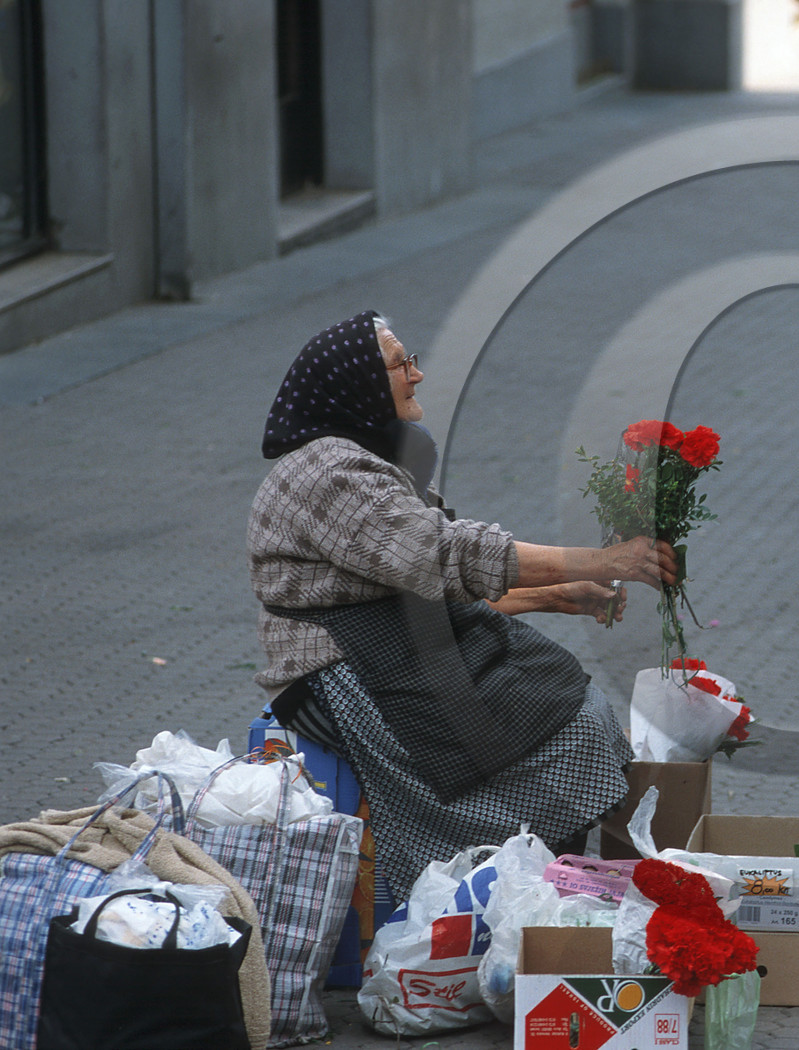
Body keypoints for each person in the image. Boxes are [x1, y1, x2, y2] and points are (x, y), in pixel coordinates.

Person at [248, 310, 678, 894]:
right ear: (358, 385)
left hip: (398, 641)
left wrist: (559, 594)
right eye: (401, 364)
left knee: (566, 697)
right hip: (340, 672)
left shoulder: (371, 455)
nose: (416, 375)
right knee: (552, 733)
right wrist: (604, 561)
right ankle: (493, 889)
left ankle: (535, 889)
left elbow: (441, 580)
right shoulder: (325, 470)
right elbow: (438, 554)